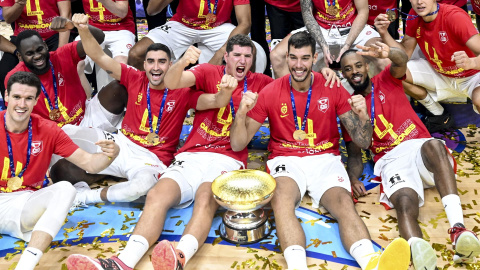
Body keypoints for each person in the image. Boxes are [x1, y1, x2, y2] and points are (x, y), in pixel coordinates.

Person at [65, 33, 274, 270]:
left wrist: (325, 74)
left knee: (205, 199)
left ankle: (179, 258)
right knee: (156, 196)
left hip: (226, 157)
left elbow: (288, 87)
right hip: (189, 154)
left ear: (253, 60)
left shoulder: (263, 84)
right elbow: (182, 85)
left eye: (248, 56)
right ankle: (121, 263)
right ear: (226, 56)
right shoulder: (206, 72)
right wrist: (185, 62)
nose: (242, 60)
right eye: (237, 54)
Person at [230, 31, 410, 270]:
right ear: (287, 58)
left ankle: (372, 264)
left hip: (325, 158)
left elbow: (364, 142)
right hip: (286, 158)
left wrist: (364, 117)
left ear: (315, 58)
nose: (298, 65)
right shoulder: (271, 92)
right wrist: (241, 112)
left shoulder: (332, 86)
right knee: (281, 201)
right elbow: (238, 144)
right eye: (293, 58)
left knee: (345, 204)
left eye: (304, 58)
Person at [48, 13, 239, 206]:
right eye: (151, 61)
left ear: (170, 65)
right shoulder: (134, 77)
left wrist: (227, 91)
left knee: (142, 187)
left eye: (162, 62)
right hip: (120, 143)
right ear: (144, 65)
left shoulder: (183, 90)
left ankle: (85, 196)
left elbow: (216, 101)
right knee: (64, 134)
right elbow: (98, 56)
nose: (156, 67)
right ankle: (41, 178)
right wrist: (83, 29)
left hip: (151, 157)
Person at [340, 42, 480, 269]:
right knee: (405, 204)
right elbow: (356, 154)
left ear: (366, 66)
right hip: (390, 159)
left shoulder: (386, 78)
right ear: (343, 74)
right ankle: (421, 255)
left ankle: (457, 228)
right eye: (348, 69)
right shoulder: (349, 110)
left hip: (418, 147)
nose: (354, 71)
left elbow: (400, 61)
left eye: (358, 65)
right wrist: (353, 178)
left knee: (435, 145)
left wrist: (389, 53)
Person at [0, 71, 119, 270]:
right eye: (17, 97)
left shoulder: (49, 129)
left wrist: (109, 156)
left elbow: (89, 163)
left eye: (28, 98)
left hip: (25, 204)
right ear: (6, 96)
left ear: (36, 100)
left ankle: (25, 267)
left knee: (66, 189)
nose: (22, 104)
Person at [375, 0, 480, 131]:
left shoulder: (454, 16)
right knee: (394, 70)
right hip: (440, 74)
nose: (419, 2)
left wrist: (473, 62)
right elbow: (404, 55)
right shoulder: (414, 15)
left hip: (471, 77)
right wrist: (384, 33)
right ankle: (438, 114)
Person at [4, 17, 122, 132]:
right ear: (20, 56)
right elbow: (17, 116)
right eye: (30, 53)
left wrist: (78, 26)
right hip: (50, 133)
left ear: (45, 46)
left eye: (40, 49)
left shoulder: (63, 54)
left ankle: (131, 133)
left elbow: (99, 38)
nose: (37, 56)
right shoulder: (15, 78)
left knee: (119, 87)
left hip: (85, 117)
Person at [127, 0, 267, 74]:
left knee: (249, 51)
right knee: (136, 54)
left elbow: (245, 23)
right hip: (182, 25)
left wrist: (221, 53)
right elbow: (151, 10)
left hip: (218, 27)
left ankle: (242, 103)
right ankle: (146, 101)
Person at [269, 0, 382, 78]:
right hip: (320, 28)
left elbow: (363, 11)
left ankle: (379, 102)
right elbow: (307, 14)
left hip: (352, 28)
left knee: (383, 57)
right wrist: (323, 44)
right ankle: (292, 102)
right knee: (277, 56)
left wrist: (347, 44)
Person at [0, 0, 71, 97]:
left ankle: (61, 103)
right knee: (4, 71)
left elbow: (66, 15)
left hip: (53, 35)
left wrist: (61, 51)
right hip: (22, 37)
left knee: (62, 69)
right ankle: (12, 108)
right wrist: (19, 4)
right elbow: (8, 18)